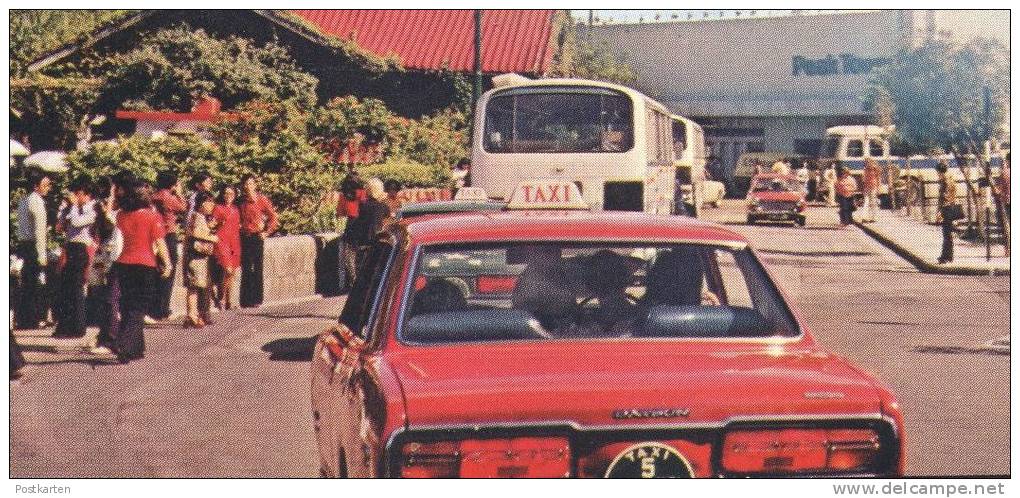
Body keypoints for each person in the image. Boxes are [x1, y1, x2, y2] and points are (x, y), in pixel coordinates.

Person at [112, 178, 171, 363]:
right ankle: (125, 343)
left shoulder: (121, 215)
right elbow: (160, 243)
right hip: (145, 264)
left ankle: (136, 349)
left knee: (128, 305)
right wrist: (167, 264)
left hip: (124, 263)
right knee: (139, 308)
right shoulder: (152, 216)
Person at [53, 176, 96, 338]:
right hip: (69, 247)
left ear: (87, 195)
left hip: (81, 249)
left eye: (78, 193)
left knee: (77, 289)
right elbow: (59, 228)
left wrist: (72, 207)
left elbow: (78, 223)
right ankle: (65, 326)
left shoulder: (92, 210)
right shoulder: (72, 208)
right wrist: (64, 211)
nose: (75, 196)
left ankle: (78, 327)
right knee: (66, 289)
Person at [86, 177, 122, 355]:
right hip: (102, 257)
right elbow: (95, 232)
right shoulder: (102, 213)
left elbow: (110, 223)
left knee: (110, 299)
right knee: (101, 298)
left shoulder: (120, 214)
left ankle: (111, 338)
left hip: (113, 258)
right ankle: (104, 336)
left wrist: (107, 207)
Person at [15, 169, 51, 330]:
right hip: (33, 246)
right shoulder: (36, 201)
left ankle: (24, 318)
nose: (48, 187)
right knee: (34, 284)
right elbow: (39, 230)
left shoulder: (24, 200)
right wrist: (42, 254)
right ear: (36, 186)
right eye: (45, 184)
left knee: (26, 283)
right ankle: (32, 319)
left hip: (24, 244)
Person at [150, 171, 187, 320]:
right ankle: (162, 308)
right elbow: (183, 208)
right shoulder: (168, 198)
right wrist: (179, 193)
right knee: (168, 272)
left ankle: (154, 307)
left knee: (156, 271)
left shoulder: (154, 196)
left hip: (155, 235)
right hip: (168, 234)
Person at [238, 175, 279, 308]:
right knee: (246, 268)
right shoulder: (240, 201)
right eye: (246, 184)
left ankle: (257, 298)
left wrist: (267, 232)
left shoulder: (261, 200)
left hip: (256, 236)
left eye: (250, 184)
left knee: (257, 267)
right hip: (244, 236)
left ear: (255, 185)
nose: (248, 187)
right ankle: (245, 299)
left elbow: (273, 217)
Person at [341, 178, 391, 283]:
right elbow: (388, 224)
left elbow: (356, 224)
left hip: (362, 244)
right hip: (377, 243)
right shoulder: (383, 207)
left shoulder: (362, 206)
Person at [183, 191, 219, 328]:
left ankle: (192, 315)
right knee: (194, 286)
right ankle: (192, 315)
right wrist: (212, 238)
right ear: (202, 203)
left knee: (195, 286)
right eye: (209, 202)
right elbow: (196, 233)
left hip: (198, 257)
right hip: (196, 257)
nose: (211, 205)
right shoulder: (197, 216)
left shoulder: (198, 216)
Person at [211, 186, 241, 311]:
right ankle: (221, 298)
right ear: (222, 195)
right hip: (222, 241)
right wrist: (217, 224)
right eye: (226, 193)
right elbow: (211, 224)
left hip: (234, 242)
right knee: (227, 270)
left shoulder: (235, 209)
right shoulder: (218, 208)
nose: (229, 195)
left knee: (232, 272)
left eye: (231, 193)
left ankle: (229, 300)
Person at [937, 161, 960, 264]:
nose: (937, 175)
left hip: (946, 210)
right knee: (948, 234)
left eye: (937, 172)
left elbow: (944, 197)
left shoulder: (945, 181)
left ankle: (945, 257)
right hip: (950, 208)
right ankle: (948, 256)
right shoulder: (951, 179)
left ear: (940, 172)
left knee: (946, 234)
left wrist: (940, 211)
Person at [861, 159, 881, 223]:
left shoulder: (876, 169)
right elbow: (864, 180)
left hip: (873, 187)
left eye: (868, 162)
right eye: (866, 163)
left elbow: (878, 179)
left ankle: (874, 217)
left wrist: (878, 188)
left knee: (873, 203)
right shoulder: (865, 170)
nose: (867, 164)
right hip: (867, 187)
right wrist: (863, 188)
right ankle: (865, 217)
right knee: (866, 202)